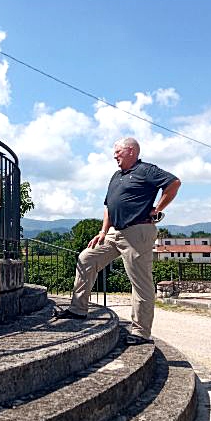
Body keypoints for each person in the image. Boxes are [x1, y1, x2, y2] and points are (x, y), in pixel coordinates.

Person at [55, 137, 181, 346]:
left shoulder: (147, 170)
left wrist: (157, 209)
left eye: (118, 152)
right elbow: (108, 205)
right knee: (86, 258)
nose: (114, 156)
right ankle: (78, 310)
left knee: (140, 282)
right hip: (114, 232)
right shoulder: (116, 175)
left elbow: (174, 183)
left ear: (131, 151)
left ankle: (141, 333)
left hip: (138, 231)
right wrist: (103, 231)